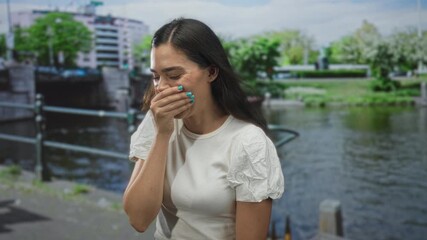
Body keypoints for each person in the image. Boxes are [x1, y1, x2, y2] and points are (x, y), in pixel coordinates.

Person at [123, 18, 284, 240]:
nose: (160, 88)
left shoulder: (248, 142)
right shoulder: (157, 122)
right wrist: (162, 134)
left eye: (174, 76)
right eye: (156, 77)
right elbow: (138, 219)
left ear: (211, 73)